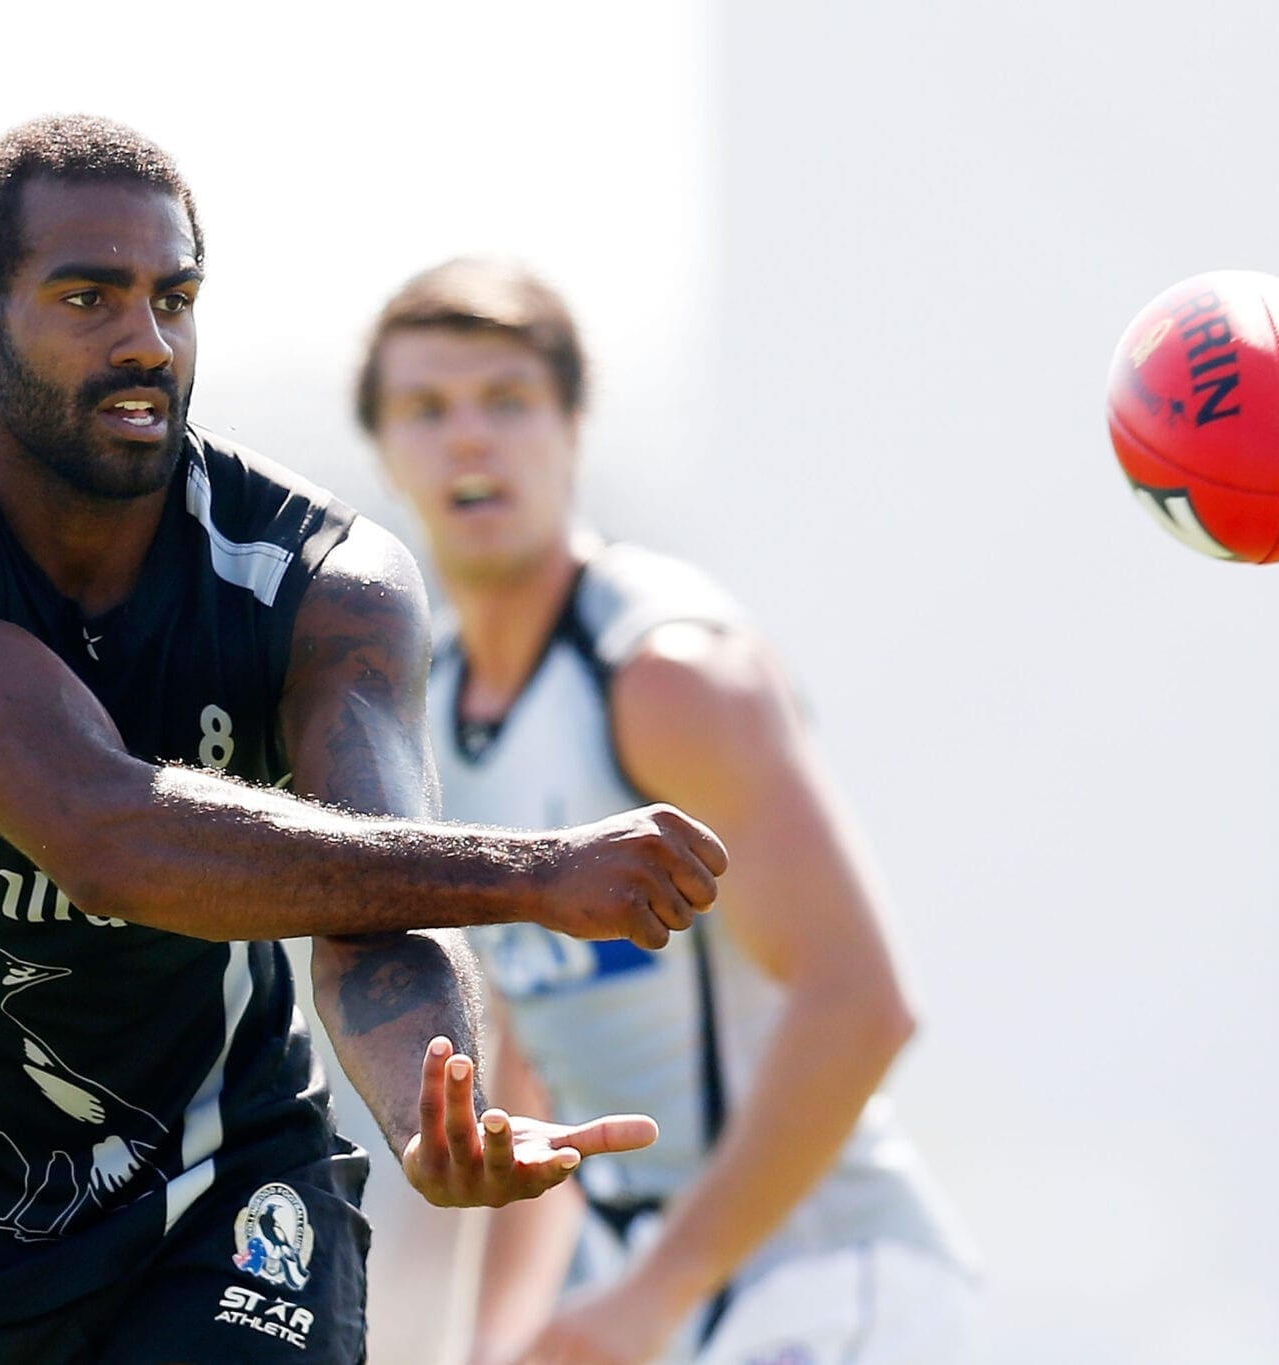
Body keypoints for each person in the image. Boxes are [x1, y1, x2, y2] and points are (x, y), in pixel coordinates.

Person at [0, 116, 727, 1363]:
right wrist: (534, 873)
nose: (145, 343)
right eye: (87, 297)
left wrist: (436, 1110)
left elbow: (379, 889)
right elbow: (106, 836)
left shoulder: (324, 580)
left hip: (237, 1188)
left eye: (173, 297)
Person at [358, 258, 981, 1364]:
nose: (468, 439)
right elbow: (538, 1064)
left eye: (506, 401)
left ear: (570, 428)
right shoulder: (433, 716)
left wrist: (655, 1294)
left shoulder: (669, 674)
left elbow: (862, 1002)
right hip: (651, 1295)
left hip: (830, 1286)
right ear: (386, 452)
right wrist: (491, 1345)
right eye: (425, 409)